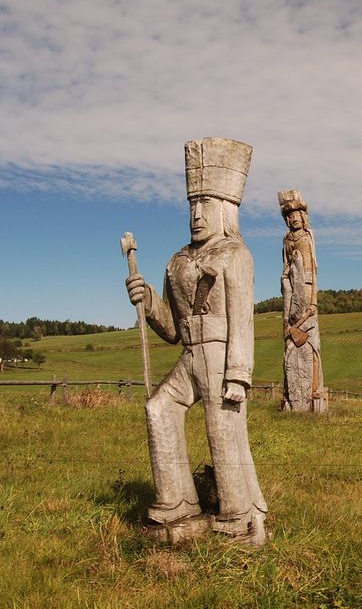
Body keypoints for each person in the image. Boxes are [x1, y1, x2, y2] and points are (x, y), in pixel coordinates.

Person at [125, 137, 267, 543]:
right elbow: (171, 329)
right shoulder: (177, 260)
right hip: (191, 354)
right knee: (159, 409)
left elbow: (243, 318)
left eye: (205, 204)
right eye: (192, 204)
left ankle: (237, 515)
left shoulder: (235, 255)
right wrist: (149, 300)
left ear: (224, 208)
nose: (196, 214)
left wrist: (239, 374)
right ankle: (178, 501)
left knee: (222, 429)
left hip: (222, 356)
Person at [277, 189, 325, 412]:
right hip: (290, 289)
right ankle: (291, 396)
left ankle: (311, 394)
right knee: (289, 340)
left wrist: (312, 300)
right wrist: (286, 278)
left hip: (305, 289)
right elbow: (285, 265)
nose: (293, 218)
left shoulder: (307, 237)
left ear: (303, 216)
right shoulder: (287, 239)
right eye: (289, 215)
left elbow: (313, 270)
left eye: (297, 214)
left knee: (309, 341)